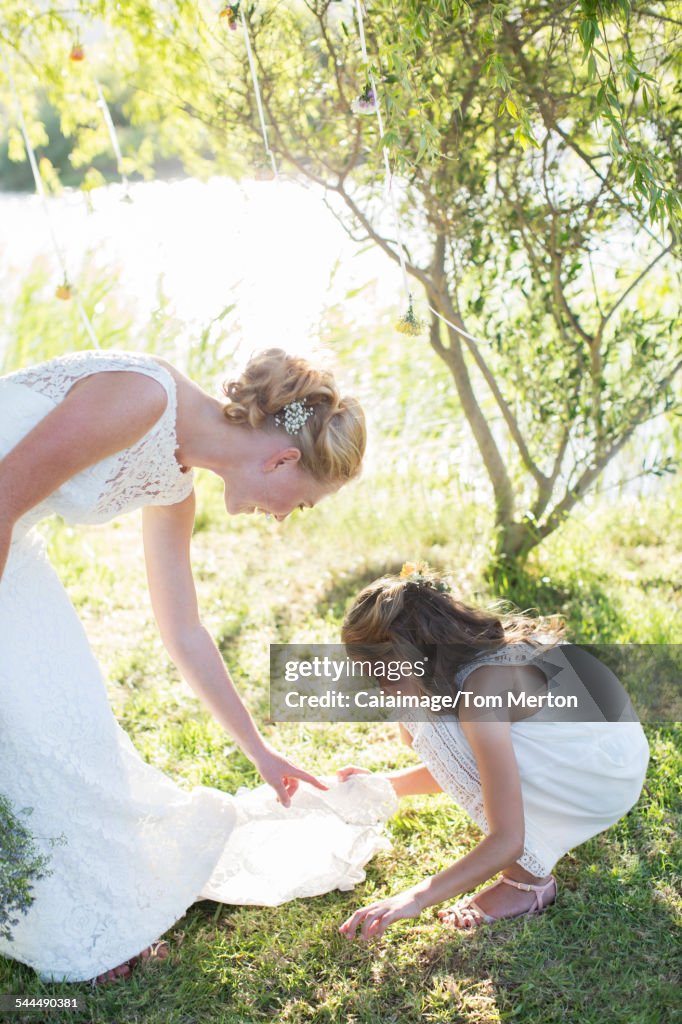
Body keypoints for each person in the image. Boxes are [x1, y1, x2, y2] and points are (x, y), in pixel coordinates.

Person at [0, 346, 395, 985]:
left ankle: (80, 911)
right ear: (283, 458)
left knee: (73, 724)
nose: (285, 519)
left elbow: (185, 630)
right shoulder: (143, 398)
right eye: (301, 504)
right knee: (30, 724)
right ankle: (82, 926)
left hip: (11, 543)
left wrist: (261, 752)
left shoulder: (174, 483)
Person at [336, 563, 650, 942]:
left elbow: (507, 839)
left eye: (384, 673)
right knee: (425, 720)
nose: (379, 687)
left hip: (603, 774)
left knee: (432, 726)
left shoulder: (484, 690)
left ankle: (527, 882)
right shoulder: (465, 661)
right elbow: (476, 768)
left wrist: (414, 899)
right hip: (606, 747)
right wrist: (387, 784)